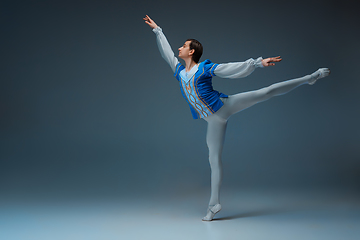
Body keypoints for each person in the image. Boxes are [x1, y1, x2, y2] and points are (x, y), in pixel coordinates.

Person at [143, 15, 330, 221]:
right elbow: (167, 53)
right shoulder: (179, 71)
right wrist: (158, 30)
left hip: (225, 106)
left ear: (192, 51)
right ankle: (214, 205)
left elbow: (230, 68)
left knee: (265, 92)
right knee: (213, 160)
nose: (179, 48)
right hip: (213, 121)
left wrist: (258, 63)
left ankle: (309, 78)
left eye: (184, 46)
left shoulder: (204, 68)